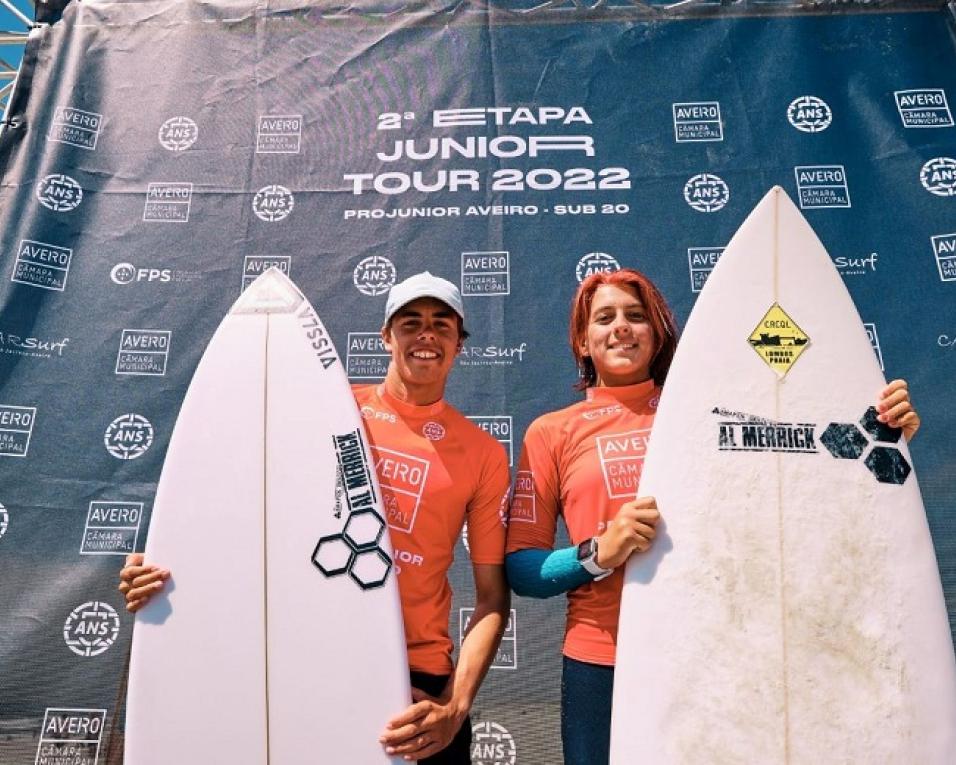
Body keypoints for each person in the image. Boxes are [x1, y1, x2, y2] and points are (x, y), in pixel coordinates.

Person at [503, 267, 921, 765]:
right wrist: (598, 553)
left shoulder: (715, 412)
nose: (621, 327)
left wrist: (886, 441)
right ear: (583, 341)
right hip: (603, 659)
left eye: (636, 316)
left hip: (717, 649)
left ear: (658, 334)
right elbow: (523, 569)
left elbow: (807, 487)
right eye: (604, 318)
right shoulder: (552, 432)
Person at [120, 271, 511, 764]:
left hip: (418, 685)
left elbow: (493, 597)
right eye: (410, 322)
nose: (426, 334)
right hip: (305, 664)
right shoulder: (325, 410)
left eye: (442, 324)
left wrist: (455, 704)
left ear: (459, 344)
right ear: (386, 337)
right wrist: (164, 567)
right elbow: (238, 509)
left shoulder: (483, 453)